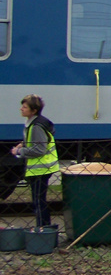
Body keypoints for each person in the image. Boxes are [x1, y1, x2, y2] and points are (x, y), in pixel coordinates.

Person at [11, 95, 59, 229]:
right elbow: (36, 142)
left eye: (25, 107)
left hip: (41, 169)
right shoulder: (35, 123)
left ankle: (43, 228)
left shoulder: (36, 126)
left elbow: (40, 149)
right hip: (41, 169)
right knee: (39, 201)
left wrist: (20, 152)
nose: (21, 109)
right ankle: (44, 228)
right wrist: (23, 144)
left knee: (38, 202)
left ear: (33, 111)